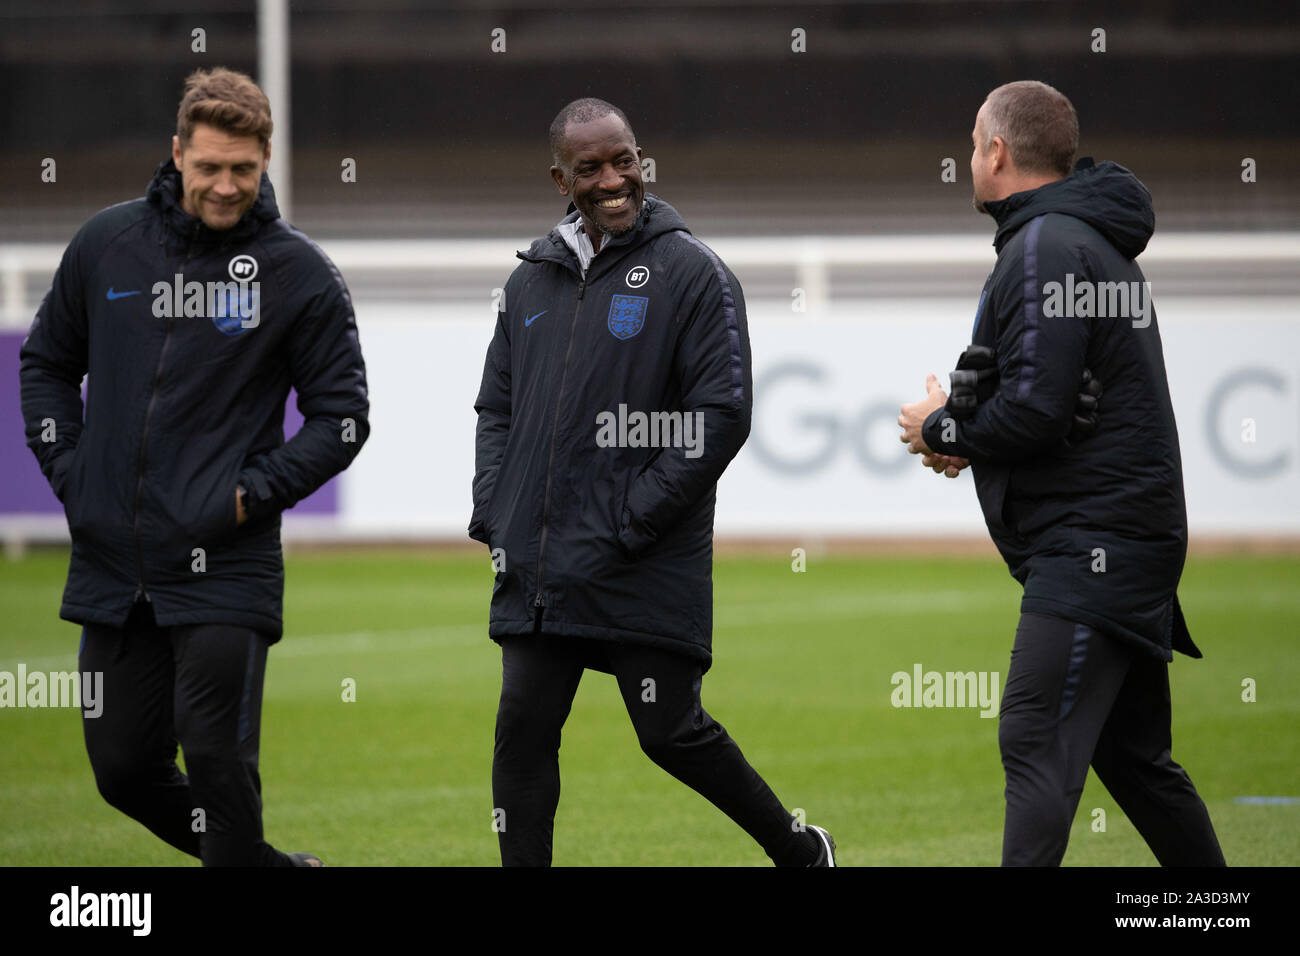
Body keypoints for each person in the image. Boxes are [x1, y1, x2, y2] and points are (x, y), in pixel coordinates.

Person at [469, 98, 835, 867]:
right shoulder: (530, 281)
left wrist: (632, 520)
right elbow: (496, 407)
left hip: (643, 557)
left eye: (624, 159)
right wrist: (495, 511)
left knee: (669, 732)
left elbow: (723, 413)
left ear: (642, 161)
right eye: (591, 167)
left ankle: (799, 851)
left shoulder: (691, 272)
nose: (613, 179)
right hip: (541, 561)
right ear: (559, 178)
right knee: (522, 731)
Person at [19, 67, 369, 866]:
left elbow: (343, 420)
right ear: (176, 152)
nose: (224, 185)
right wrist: (72, 474)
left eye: (242, 169)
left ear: (266, 160)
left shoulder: (297, 275)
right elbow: (44, 363)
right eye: (208, 166)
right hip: (114, 562)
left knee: (215, 760)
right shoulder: (107, 245)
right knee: (123, 770)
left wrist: (249, 495)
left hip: (225, 564)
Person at [897, 80, 1224, 867]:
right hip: (1121, 538)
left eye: (974, 144)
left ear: (998, 152)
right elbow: (1055, 405)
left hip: (1097, 546)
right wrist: (970, 435)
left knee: (1034, 735)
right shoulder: (1077, 239)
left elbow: (1040, 412)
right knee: (1137, 763)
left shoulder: (1047, 245)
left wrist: (942, 426)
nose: (969, 158)